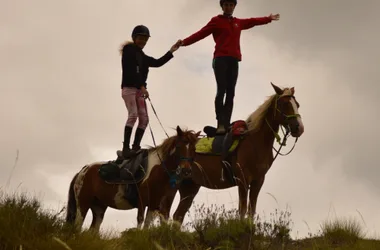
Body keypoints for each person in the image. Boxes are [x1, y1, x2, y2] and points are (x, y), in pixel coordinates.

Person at [177, 0, 280, 134]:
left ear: (234, 6)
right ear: (222, 6)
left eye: (231, 5)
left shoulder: (238, 22)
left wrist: (268, 19)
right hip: (220, 59)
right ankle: (220, 122)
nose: (229, 7)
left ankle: (225, 124)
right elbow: (201, 33)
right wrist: (184, 42)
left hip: (234, 60)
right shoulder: (216, 21)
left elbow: (252, 21)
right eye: (226, 5)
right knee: (222, 90)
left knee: (231, 92)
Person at [120, 25, 181, 159]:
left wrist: (172, 51)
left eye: (145, 39)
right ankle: (126, 148)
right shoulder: (129, 51)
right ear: (135, 38)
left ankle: (136, 147)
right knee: (133, 115)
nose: (143, 41)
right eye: (141, 38)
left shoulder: (142, 56)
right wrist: (142, 86)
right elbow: (132, 70)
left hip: (139, 90)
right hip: (130, 89)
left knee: (144, 119)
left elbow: (158, 62)